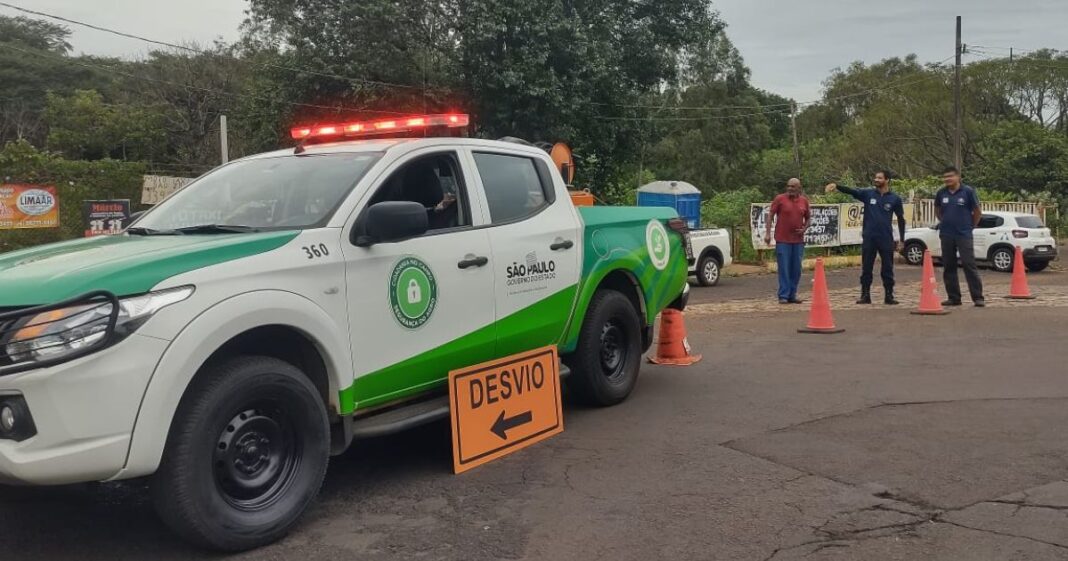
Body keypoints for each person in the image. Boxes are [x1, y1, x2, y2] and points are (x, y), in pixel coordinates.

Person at [826, 171, 906, 305]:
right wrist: (837, 186)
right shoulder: (868, 194)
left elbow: (901, 219)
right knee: (867, 267)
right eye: (876, 177)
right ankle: (865, 295)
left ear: (887, 180)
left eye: (880, 178)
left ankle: (889, 295)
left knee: (887, 268)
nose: (876, 179)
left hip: (886, 237)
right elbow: (852, 191)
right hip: (869, 237)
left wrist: (902, 239)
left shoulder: (895, 199)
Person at [934, 166, 985, 307]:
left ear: (958, 177)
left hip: (964, 234)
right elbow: (938, 210)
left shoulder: (968, 191)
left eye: (950, 176)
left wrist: (970, 226)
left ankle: (978, 297)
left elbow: (977, 211)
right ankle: (954, 297)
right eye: (945, 177)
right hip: (946, 234)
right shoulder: (941, 193)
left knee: (969, 264)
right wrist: (944, 221)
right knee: (949, 266)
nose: (947, 179)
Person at [764, 178, 810, 304]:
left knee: (796, 269)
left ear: (799, 188)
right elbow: (770, 215)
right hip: (782, 240)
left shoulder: (804, 201)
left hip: (798, 241)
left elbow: (808, 218)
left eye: (793, 187)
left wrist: (804, 229)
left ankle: (792, 295)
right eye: (788, 186)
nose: (790, 188)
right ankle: (783, 295)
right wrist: (768, 234)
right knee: (784, 268)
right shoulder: (780, 199)